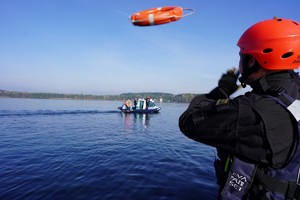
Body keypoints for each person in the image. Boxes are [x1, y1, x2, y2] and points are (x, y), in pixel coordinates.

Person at [179, 17, 300, 200]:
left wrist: (221, 91)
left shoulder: (252, 111)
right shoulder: (294, 93)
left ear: (252, 61)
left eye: (242, 56)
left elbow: (189, 122)